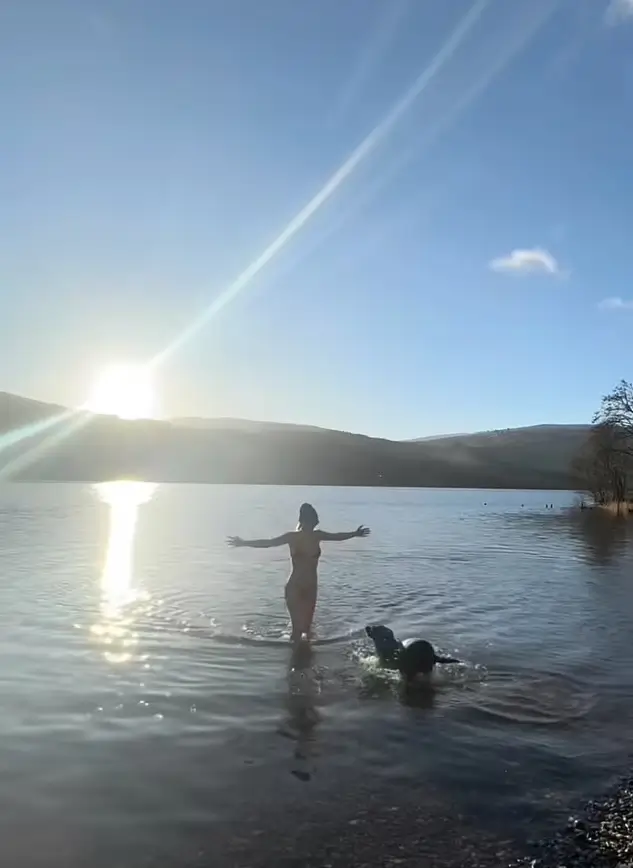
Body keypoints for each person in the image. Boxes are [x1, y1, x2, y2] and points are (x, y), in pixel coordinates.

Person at [227, 502, 370, 643]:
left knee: (307, 630)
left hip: (311, 587)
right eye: (311, 521)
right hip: (295, 586)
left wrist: (355, 533)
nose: (312, 525)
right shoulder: (292, 537)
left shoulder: (318, 535)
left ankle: (305, 662)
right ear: (304, 521)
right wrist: (244, 543)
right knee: (296, 631)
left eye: (314, 522)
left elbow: (337, 536)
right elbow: (268, 543)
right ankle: (295, 662)